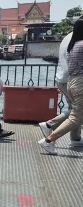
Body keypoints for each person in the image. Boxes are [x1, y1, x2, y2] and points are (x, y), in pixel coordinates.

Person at [39, 18, 83, 154]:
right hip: (79, 83)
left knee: (76, 112)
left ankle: (72, 137)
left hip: (71, 81)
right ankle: (49, 140)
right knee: (76, 116)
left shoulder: (72, 44)